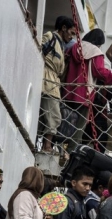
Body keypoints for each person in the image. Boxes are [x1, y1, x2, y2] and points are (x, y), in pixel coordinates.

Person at [62, 28, 112, 152]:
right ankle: (70, 152)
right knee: (80, 126)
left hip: (68, 90)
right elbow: (100, 71)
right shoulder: (95, 51)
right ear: (98, 42)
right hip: (83, 94)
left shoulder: (74, 47)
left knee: (65, 120)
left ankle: (58, 146)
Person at [39, 16, 75, 153]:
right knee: (54, 116)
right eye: (70, 33)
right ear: (63, 28)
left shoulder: (60, 45)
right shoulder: (50, 37)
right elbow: (39, 50)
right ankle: (47, 146)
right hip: (47, 81)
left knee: (50, 116)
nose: (71, 37)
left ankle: (45, 145)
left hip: (53, 82)